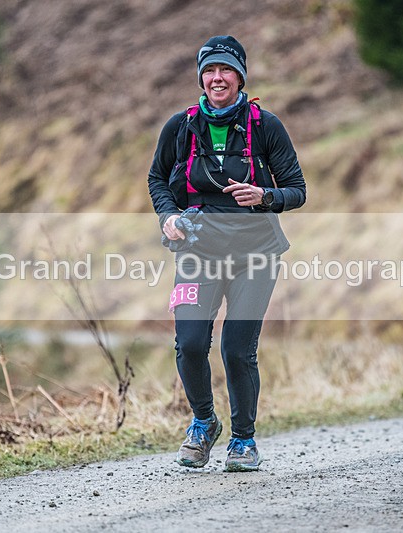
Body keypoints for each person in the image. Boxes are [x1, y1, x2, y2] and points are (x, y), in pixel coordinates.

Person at [147, 35, 306, 472]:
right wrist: (167, 216)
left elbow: (297, 190)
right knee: (190, 343)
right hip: (197, 250)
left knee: (237, 349)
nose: (218, 78)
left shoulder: (265, 126)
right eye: (210, 71)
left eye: (226, 70)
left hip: (256, 253)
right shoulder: (180, 127)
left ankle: (243, 440)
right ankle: (203, 423)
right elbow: (157, 178)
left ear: (240, 77)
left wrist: (265, 195)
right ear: (201, 78)